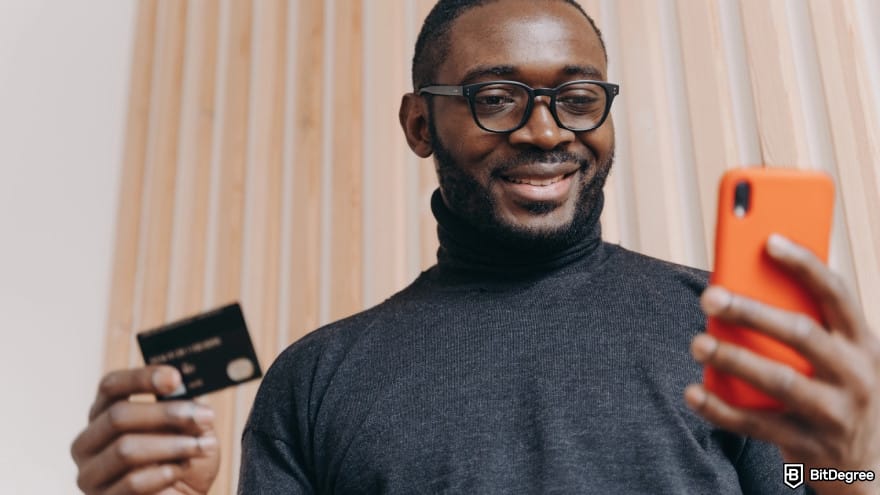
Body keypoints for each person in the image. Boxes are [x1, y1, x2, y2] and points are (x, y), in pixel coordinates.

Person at [71, 0, 880, 493]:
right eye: (496, 97)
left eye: (578, 96)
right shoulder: (315, 378)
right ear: (420, 124)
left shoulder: (724, 328)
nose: (544, 129)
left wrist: (859, 466)